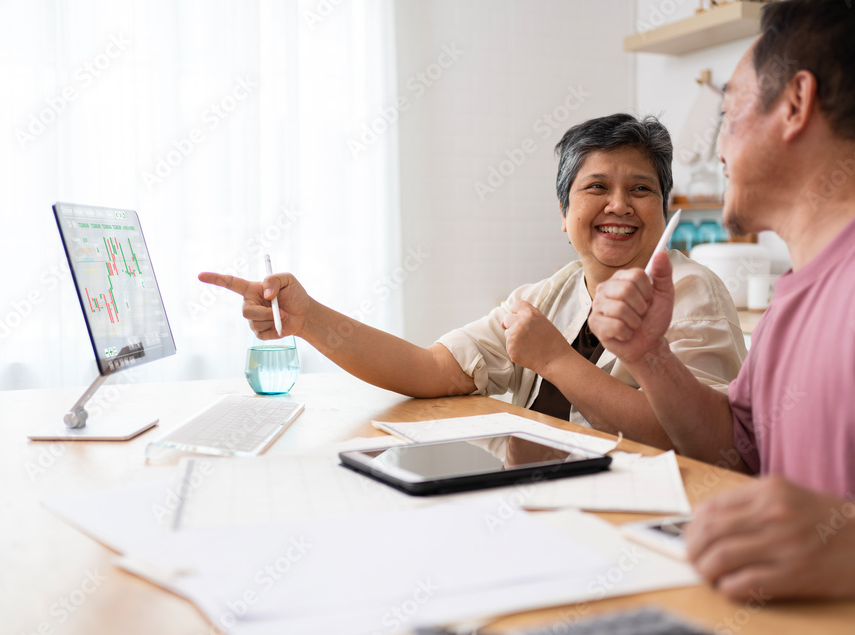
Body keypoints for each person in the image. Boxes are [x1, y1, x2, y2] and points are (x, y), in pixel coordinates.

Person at [588, 0, 855, 601]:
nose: (719, 148)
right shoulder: (795, 290)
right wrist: (648, 354)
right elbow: (741, 455)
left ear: (795, 104)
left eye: (728, 113)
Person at [200, 114, 746, 448]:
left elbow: (699, 443)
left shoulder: (693, 290)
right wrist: (309, 319)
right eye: (596, 187)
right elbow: (431, 368)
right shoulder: (546, 295)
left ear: (666, 207)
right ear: (563, 213)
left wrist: (555, 360)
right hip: (541, 496)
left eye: (642, 189)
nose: (619, 205)